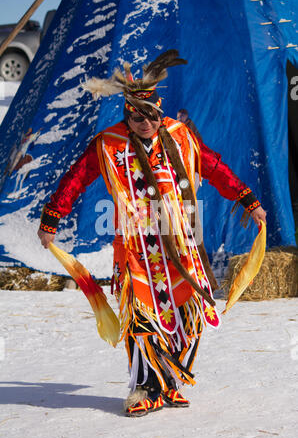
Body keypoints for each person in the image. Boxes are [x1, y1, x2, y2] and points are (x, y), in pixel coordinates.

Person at [38, 50, 266, 417]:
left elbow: (213, 166)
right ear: (127, 114)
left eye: (151, 116)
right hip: (137, 248)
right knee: (141, 319)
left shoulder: (180, 136)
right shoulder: (108, 143)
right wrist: (52, 218)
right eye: (137, 116)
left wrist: (248, 200)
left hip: (179, 244)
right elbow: (76, 178)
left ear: (160, 113)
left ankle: (169, 382)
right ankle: (145, 388)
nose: (145, 123)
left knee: (183, 312)